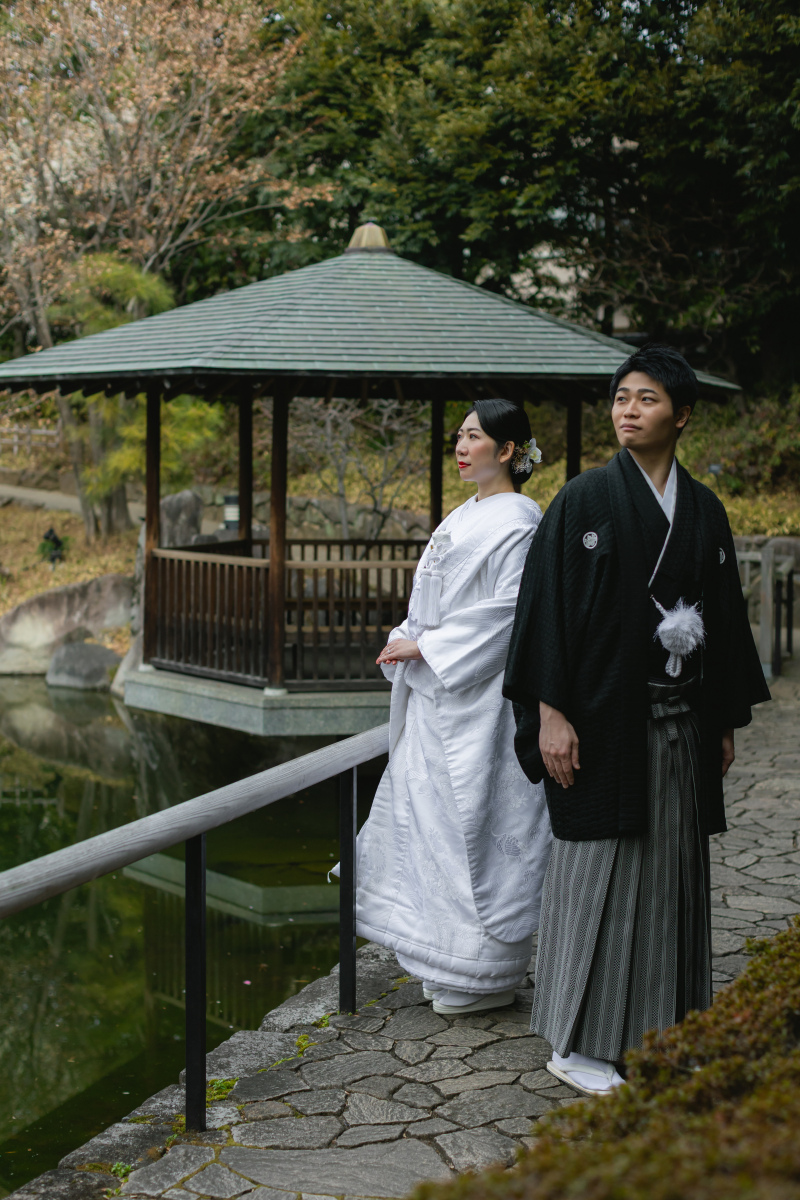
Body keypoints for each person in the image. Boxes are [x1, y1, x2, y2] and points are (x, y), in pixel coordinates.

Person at [504, 345, 770, 1094]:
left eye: (646, 398)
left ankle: (665, 1031)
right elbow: (543, 614)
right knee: (599, 873)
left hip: (678, 721)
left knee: (672, 879)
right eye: (621, 397)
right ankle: (576, 1043)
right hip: (599, 721)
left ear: (681, 416)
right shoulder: (584, 501)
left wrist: (718, 719)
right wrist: (550, 713)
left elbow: (722, 620)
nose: (627, 409)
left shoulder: (705, 510)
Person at [354, 399, 553, 1015]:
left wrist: (431, 645)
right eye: (460, 436)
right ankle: (440, 955)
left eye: (476, 437)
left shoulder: (522, 519)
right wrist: (407, 635)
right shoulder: (462, 515)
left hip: (481, 699)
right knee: (431, 827)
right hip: (436, 692)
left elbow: (510, 611)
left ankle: (485, 969)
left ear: (510, 451)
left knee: (477, 828)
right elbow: (429, 597)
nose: (463, 447)